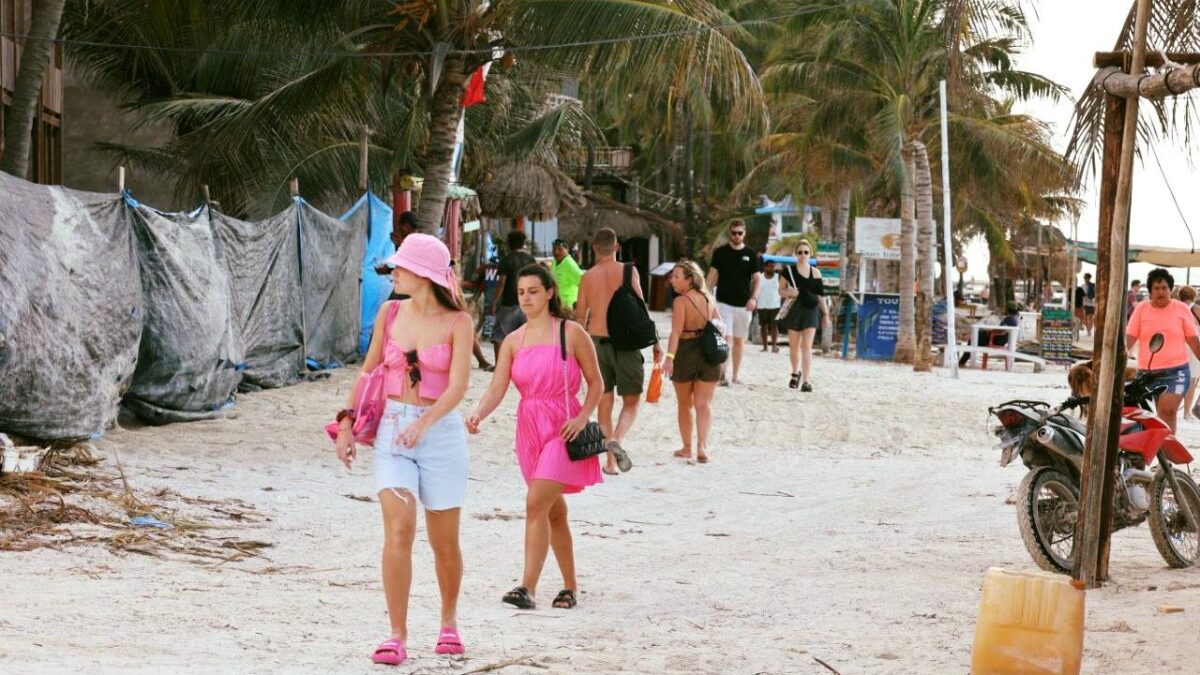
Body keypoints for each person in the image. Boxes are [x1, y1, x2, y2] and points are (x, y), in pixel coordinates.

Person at [334, 234, 475, 666]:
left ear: (426, 275)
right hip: (394, 430)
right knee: (398, 530)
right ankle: (397, 634)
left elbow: (458, 386)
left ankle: (448, 622)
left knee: (444, 543)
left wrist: (427, 423)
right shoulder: (390, 312)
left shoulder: (459, 323)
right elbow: (369, 368)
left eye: (401, 266)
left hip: (441, 434)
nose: (393, 272)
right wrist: (346, 422)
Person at [466, 264, 604, 611]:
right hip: (529, 427)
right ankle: (570, 586)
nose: (526, 297)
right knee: (554, 513)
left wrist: (583, 416)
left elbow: (597, 383)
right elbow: (498, 387)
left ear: (549, 293)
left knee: (535, 504)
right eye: (521, 292)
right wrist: (479, 413)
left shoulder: (570, 333)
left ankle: (527, 587)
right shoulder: (513, 341)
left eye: (533, 291)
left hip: (564, 426)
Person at [574, 227, 660, 475]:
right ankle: (618, 440)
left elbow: (581, 316)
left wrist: (577, 350)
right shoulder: (628, 270)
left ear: (593, 249)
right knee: (631, 403)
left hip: (596, 344)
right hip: (626, 344)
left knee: (605, 402)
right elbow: (641, 308)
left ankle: (610, 463)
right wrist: (655, 341)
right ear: (617, 247)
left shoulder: (587, 277)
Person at [1126, 269, 1200, 434]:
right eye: (1156, 288)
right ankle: (1155, 454)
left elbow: (1193, 339)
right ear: (1151, 291)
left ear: (1170, 290)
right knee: (1145, 417)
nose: (1161, 291)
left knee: (1167, 412)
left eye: (1164, 288)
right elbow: (1129, 338)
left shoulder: (1181, 309)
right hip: (1146, 373)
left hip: (1177, 371)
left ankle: (1165, 457)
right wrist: (1120, 356)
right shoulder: (1141, 309)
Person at [662, 260, 720, 463]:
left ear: (689, 279)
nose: (672, 280)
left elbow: (676, 333)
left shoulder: (681, 301)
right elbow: (719, 325)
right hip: (709, 352)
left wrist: (669, 358)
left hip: (686, 352)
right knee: (704, 404)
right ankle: (702, 447)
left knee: (685, 404)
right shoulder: (708, 298)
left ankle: (687, 448)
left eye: (676, 276)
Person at [706, 220, 761, 384]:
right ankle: (723, 374)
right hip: (724, 302)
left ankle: (736, 375)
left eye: (740, 233)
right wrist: (706, 295)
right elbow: (712, 276)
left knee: (739, 340)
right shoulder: (720, 252)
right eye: (734, 233)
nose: (736, 236)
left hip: (744, 304)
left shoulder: (751, 254)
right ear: (730, 233)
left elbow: (757, 279)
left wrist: (754, 298)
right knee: (725, 338)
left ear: (744, 234)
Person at [779, 239, 831, 391]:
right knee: (794, 347)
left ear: (810, 254)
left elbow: (821, 296)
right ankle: (795, 373)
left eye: (806, 252)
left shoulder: (816, 272)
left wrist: (826, 315)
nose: (803, 255)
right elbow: (780, 290)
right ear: (796, 254)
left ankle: (806, 381)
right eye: (800, 252)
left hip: (811, 311)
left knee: (806, 347)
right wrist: (790, 292)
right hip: (795, 310)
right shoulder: (788, 271)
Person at [491, 230, 537, 360]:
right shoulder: (531, 260)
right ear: (523, 243)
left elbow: (501, 284)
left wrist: (494, 302)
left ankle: (499, 365)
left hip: (509, 304)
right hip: (527, 304)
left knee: (499, 334)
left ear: (508, 244)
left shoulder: (506, 261)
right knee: (526, 337)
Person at [959, 301, 1021, 367]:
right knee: (976, 336)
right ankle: (963, 361)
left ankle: (963, 362)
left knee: (973, 339)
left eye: (1005, 308)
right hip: (1000, 339)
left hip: (996, 340)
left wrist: (990, 331)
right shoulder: (1014, 318)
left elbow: (1001, 331)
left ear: (1008, 309)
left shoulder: (1010, 320)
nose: (1004, 309)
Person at [551, 239, 583, 317]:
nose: (556, 252)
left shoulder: (570, 265)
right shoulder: (555, 262)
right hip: (557, 305)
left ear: (567, 250)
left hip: (568, 308)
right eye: (554, 249)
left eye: (560, 249)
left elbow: (584, 283)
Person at [757, 259, 783, 353]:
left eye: (773, 266)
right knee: (763, 326)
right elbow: (754, 289)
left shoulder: (778, 277)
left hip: (775, 305)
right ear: (765, 267)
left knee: (774, 326)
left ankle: (774, 346)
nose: (772, 268)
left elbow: (783, 288)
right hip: (761, 305)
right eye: (770, 266)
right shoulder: (759, 277)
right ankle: (765, 347)